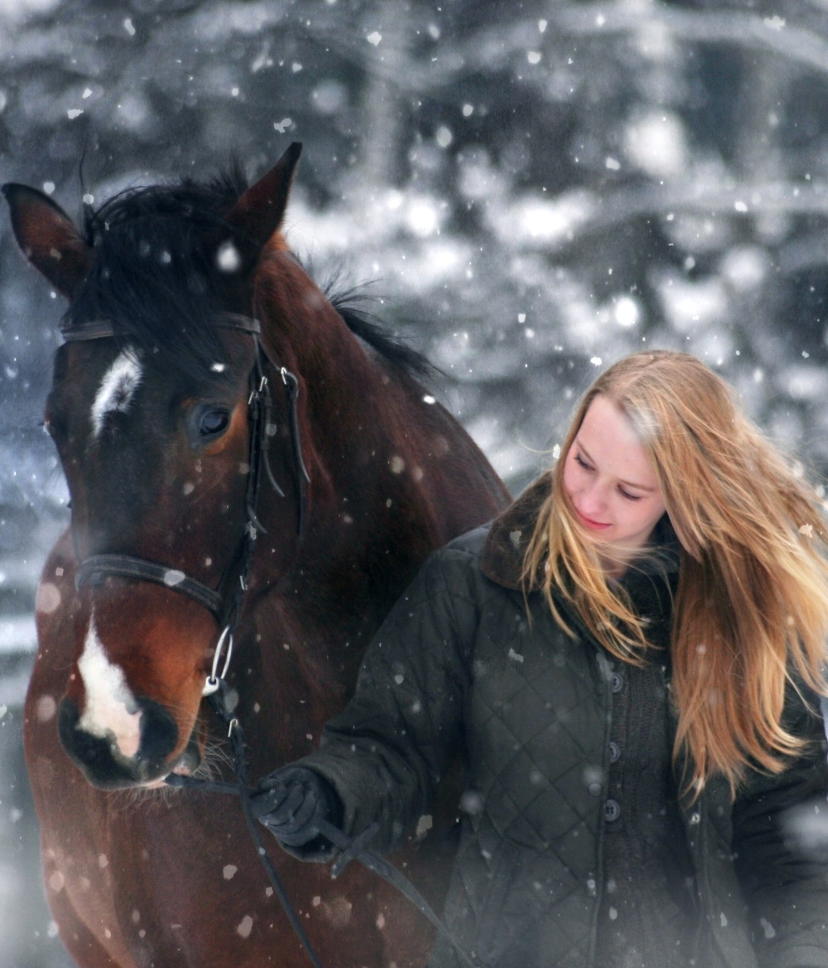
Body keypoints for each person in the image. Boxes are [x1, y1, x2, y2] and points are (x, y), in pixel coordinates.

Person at [251, 350, 828, 968]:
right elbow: (394, 750)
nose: (590, 500)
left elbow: (792, 843)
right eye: (583, 462)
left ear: (684, 499)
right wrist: (330, 793)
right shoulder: (472, 585)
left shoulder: (746, 620)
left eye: (629, 491)